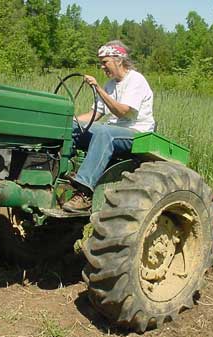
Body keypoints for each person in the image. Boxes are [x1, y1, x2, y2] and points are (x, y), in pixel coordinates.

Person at [63, 40, 155, 213]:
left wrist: (97, 88)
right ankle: (62, 177)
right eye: (100, 63)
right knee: (74, 128)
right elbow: (93, 115)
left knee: (105, 133)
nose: (102, 67)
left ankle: (84, 192)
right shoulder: (110, 85)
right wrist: (69, 121)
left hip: (136, 133)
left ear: (118, 60)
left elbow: (123, 112)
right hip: (112, 129)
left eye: (105, 62)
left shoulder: (136, 80)